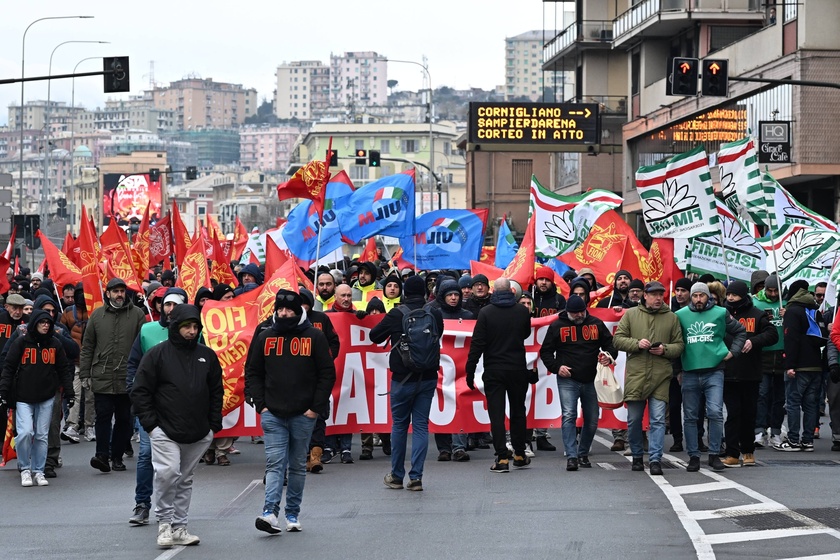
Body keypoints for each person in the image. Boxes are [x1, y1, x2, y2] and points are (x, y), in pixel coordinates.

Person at [131, 305, 223, 547]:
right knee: (168, 473)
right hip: (164, 429)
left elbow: (216, 391)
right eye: (187, 327)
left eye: (195, 327)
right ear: (176, 327)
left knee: (185, 478)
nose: (191, 332)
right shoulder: (157, 354)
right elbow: (140, 390)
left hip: (199, 431)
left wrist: (213, 425)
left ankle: (180, 527)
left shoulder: (207, 356)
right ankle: (164, 524)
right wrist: (151, 425)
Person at [246, 290, 336, 534]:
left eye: (289, 310)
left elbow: (327, 373)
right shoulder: (265, 336)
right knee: (275, 464)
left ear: (299, 311)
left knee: (296, 465)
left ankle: (292, 514)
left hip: (303, 414)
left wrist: (314, 408)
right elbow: (253, 371)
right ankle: (269, 514)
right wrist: (261, 405)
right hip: (273, 413)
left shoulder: (315, 337)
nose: (284, 313)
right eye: (280, 309)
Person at [370, 276, 443, 490]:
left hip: (402, 378)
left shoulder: (396, 314)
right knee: (421, 426)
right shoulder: (434, 313)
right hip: (428, 376)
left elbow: (374, 336)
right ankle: (416, 477)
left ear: (404, 291)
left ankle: (396, 475)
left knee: (400, 426)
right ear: (424, 292)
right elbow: (439, 335)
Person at [125, 288, 188, 526]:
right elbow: (133, 364)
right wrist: (134, 392)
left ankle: (171, 508)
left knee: (175, 462)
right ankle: (142, 504)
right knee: (146, 456)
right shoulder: (147, 330)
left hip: (179, 408)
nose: (170, 309)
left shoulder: (192, 332)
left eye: (176, 305)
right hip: (149, 406)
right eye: (167, 304)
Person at [613, 281, 685, 475]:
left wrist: (665, 349)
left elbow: (679, 345)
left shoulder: (671, 318)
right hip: (637, 375)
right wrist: (637, 344)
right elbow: (617, 339)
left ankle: (655, 460)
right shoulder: (631, 315)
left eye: (661, 294)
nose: (658, 298)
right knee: (634, 420)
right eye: (654, 294)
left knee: (658, 420)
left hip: (661, 375)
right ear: (645, 295)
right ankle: (637, 456)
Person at [540, 294, 617, 471]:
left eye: (581, 312)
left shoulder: (596, 324)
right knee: (569, 416)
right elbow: (545, 352)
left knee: (592, 420)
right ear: (567, 312)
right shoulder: (557, 325)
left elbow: (611, 345)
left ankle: (583, 453)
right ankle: (572, 456)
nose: (579, 316)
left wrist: (608, 357)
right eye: (575, 313)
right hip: (568, 379)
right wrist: (556, 367)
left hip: (591, 379)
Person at [0, 309, 74, 487]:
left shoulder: (55, 344)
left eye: (48, 322)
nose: (46, 325)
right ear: (34, 323)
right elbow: (8, 367)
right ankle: (25, 468)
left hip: (46, 397)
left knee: (41, 436)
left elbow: (64, 368)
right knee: (25, 433)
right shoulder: (21, 343)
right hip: (23, 397)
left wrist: (70, 393)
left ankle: (39, 471)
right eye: (42, 322)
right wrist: (3, 392)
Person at [676, 282, 746, 472]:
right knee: (690, 416)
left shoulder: (720, 313)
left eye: (702, 295)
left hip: (714, 370)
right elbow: (675, 341)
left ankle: (714, 454)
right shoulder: (680, 315)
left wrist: (733, 352)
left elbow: (740, 331)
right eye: (695, 295)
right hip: (690, 371)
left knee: (715, 412)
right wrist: (677, 370)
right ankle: (693, 456)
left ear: (708, 296)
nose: (698, 299)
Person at [80, 278, 147, 473]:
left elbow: (143, 346)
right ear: (107, 293)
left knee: (124, 419)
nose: (119, 294)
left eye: (121, 291)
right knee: (103, 417)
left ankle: (117, 456)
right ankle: (102, 455)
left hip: (127, 377)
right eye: (115, 291)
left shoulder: (137, 315)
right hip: (102, 375)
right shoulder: (97, 315)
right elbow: (88, 346)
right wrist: (85, 373)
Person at [466, 277, 532, 473]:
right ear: (512, 292)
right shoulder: (522, 311)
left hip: (494, 369)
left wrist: (470, 370)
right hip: (517, 369)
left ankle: (502, 458)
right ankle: (520, 454)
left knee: (496, 414)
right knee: (518, 412)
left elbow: (477, 343)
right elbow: (526, 334)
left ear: (493, 291)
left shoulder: (486, 313)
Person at [722, 281, 777, 467]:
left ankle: (748, 452)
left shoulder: (756, 314)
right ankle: (731, 453)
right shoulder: (722, 314)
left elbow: (772, 335)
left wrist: (754, 341)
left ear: (743, 296)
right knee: (733, 414)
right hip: (728, 372)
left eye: (734, 295)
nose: (730, 298)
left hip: (750, 373)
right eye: (728, 295)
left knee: (749, 414)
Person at [429, 279, 473, 462]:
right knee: (441, 407)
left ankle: (459, 447)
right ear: (442, 297)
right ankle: (444, 449)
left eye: (456, 295)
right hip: (441, 368)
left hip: (462, 368)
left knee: (461, 406)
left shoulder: (468, 315)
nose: (454, 298)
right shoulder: (433, 314)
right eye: (450, 295)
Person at [781, 280, 824, 452]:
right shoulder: (814, 310)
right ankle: (808, 440)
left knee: (792, 402)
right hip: (815, 365)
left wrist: (790, 365)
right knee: (811, 404)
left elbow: (791, 340)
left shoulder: (792, 312)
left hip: (798, 366)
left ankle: (793, 440)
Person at [752, 273, 787, 449]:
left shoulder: (786, 303)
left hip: (782, 355)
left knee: (779, 397)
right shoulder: (756, 302)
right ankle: (759, 430)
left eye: (776, 291)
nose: (773, 295)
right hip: (763, 354)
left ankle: (775, 431)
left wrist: (787, 317)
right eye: (770, 291)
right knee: (762, 394)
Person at [60, 284, 95, 443]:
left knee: (90, 397)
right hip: (74, 361)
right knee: (74, 394)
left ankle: (89, 426)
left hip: (91, 361)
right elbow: (62, 334)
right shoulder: (67, 313)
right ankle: (72, 426)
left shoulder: (95, 311)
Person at [668, 277, 694, 452]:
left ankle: (697, 439)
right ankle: (677, 439)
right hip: (673, 367)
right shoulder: (669, 311)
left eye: (683, 290)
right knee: (674, 405)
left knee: (694, 406)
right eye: (676, 290)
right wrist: (677, 370)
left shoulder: (696, 311)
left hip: (693, 364)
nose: (679, 293)